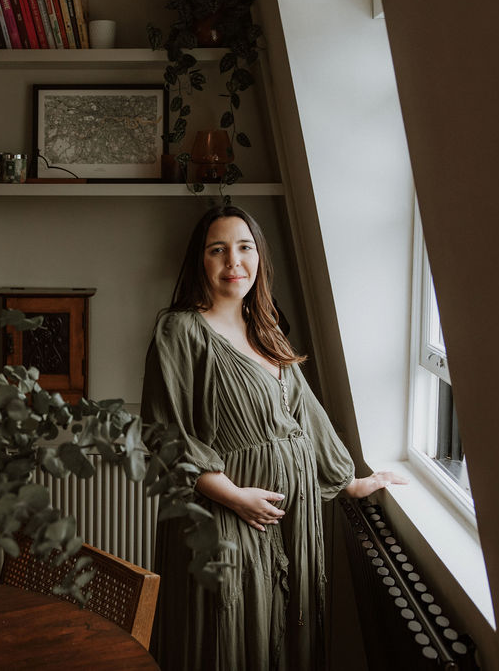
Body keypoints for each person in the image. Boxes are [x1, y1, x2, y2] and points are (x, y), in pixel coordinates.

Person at [142, 205, 405, 671]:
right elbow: (164, 435)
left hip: (292, 518)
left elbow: (306, 416)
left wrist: (349, 483)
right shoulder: (181, 329)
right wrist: (235, 497)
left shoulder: (265, 330)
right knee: (229, 640)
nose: (233, 263)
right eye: (217, 250)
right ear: (199, 260)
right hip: (223, 516)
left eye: (244, 248)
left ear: (259, 257)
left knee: (284, 638)